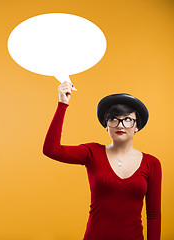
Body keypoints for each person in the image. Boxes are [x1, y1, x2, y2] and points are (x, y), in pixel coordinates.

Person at [43, 80, 162, 240]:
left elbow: (153, 215)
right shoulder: (92, 152)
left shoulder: (152, 163)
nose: (120, 125)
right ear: (106, 126)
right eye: (114, 119)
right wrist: (62, 104)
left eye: (127, 120)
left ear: (136, 126)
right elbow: (52, 150)